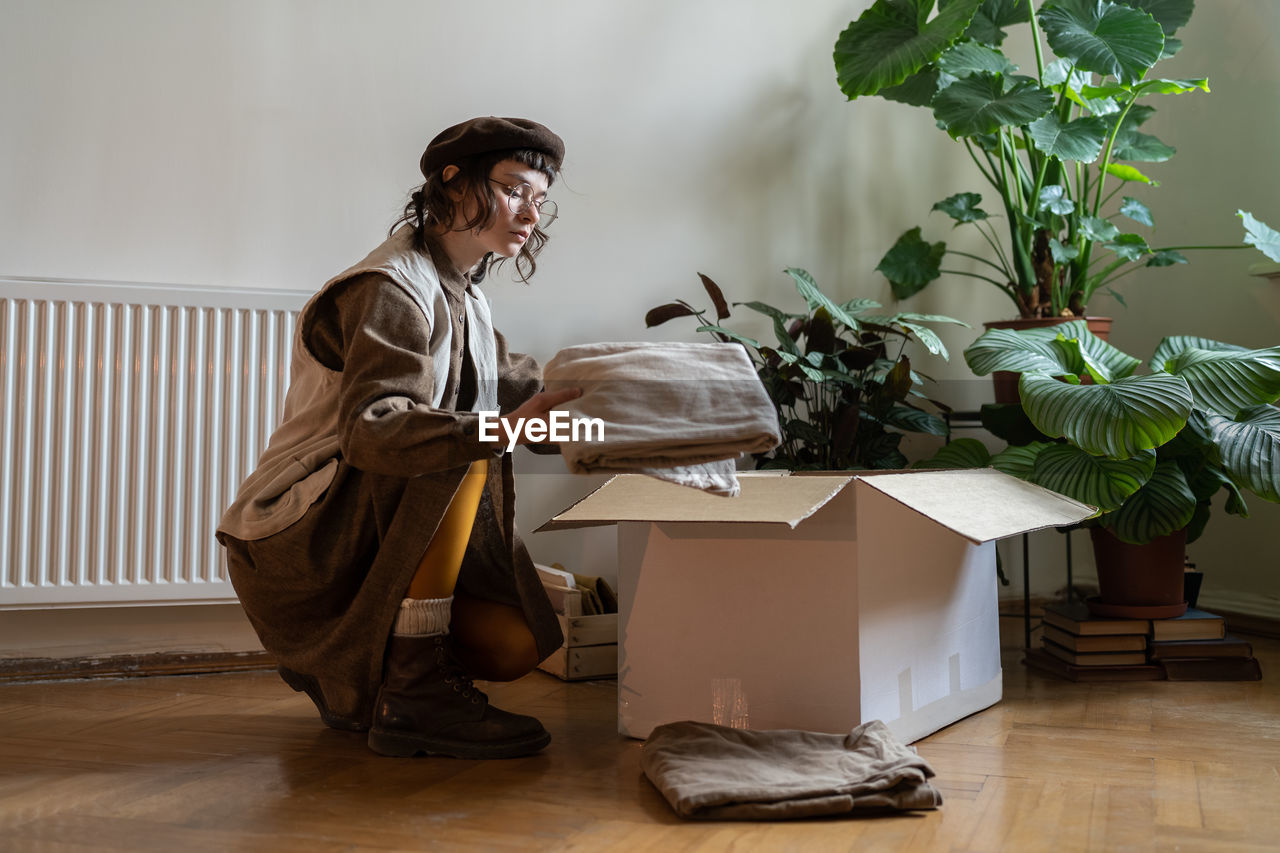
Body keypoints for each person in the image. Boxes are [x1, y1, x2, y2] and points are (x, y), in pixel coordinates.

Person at [216, 116, 579, 760]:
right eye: (516, 190)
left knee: (514, 642)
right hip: (303, 535)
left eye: (540, 201)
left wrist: (616, 420)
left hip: (365, 519)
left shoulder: (465, 297)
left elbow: (521, 393)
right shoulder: (389, 287)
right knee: (462, 445)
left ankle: (389, 681)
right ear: (453, 183)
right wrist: (501, 430)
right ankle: (412, 693)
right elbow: (375, 433)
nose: (531, 214)